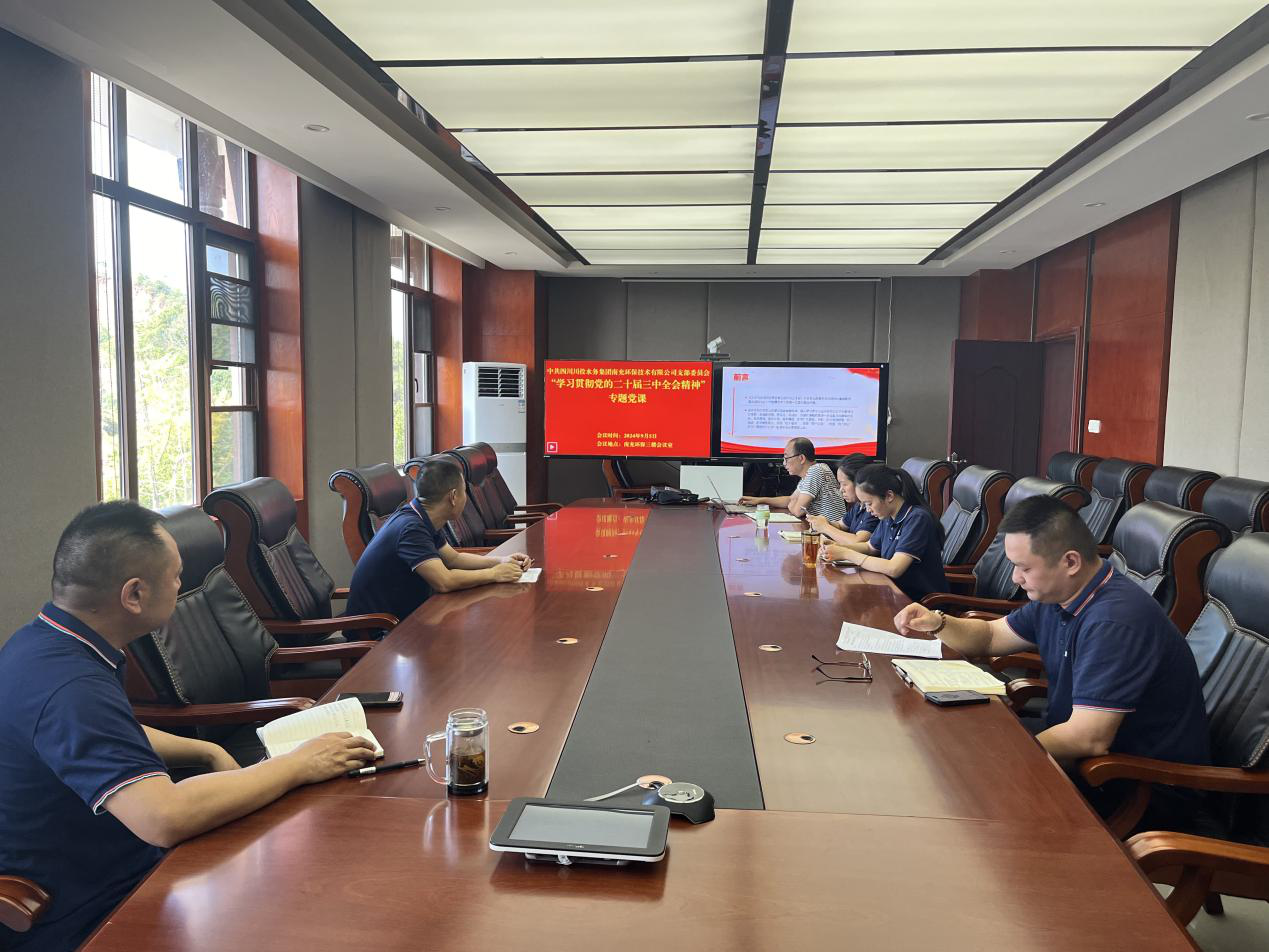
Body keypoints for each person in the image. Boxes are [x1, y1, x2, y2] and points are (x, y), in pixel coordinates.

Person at [0, 502, 378, 952]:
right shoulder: (71, 687)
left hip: (117, 863)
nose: (183, 586)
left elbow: (113, 732)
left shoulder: (44, 642)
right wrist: (298, 764)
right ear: (134, 594)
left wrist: (203, 751)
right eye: (177, 576)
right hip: (90, 909)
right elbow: (164, 818)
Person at [892, 495, 1209, 824]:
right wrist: (938, 623)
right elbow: (989, 637)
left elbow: (1088, 738)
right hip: (1075, 754)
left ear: (1070, 562)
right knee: (944, 752)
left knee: (964, 800)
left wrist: (999, 760)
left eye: (1025, 567)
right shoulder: (1061, 595)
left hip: (1136, 786)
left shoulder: (1114, 621)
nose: (1015, 578)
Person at [346, 456, 529, 627]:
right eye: (464, 492)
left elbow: (454, 559)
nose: (466, 498)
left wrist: (501, 561)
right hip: (379, 630)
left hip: (405, 618)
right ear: (453, 497)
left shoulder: (420, 515)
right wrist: (494, 574)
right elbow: (444, 581)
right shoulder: (411, 528)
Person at [822, 463, 948, 602]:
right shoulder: (888, 516)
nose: (867, 510)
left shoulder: (917, 518)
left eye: (869, 503)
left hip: (919, 603)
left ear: (889, 496)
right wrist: (838, 547)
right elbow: (870, 547)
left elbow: (894, 568)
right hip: (891, 593)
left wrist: (847, 554)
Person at [739, 437, 846, 522]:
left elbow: (797, 511)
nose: (784, 463)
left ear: (801, 458)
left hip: (832, 532)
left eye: (786, 458)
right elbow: (791, 500)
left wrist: (793, 504)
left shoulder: (816, 471)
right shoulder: (810, 473)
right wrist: (759, 500)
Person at [806, 453, 879, 546]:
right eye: (839, 484)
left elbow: (858, 542)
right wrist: (822, 522)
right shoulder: (858, 505)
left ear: (860, 482)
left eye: (844, 484)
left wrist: (825, 527)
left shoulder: (874, 509)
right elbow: (841, 525)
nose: (841, 490)